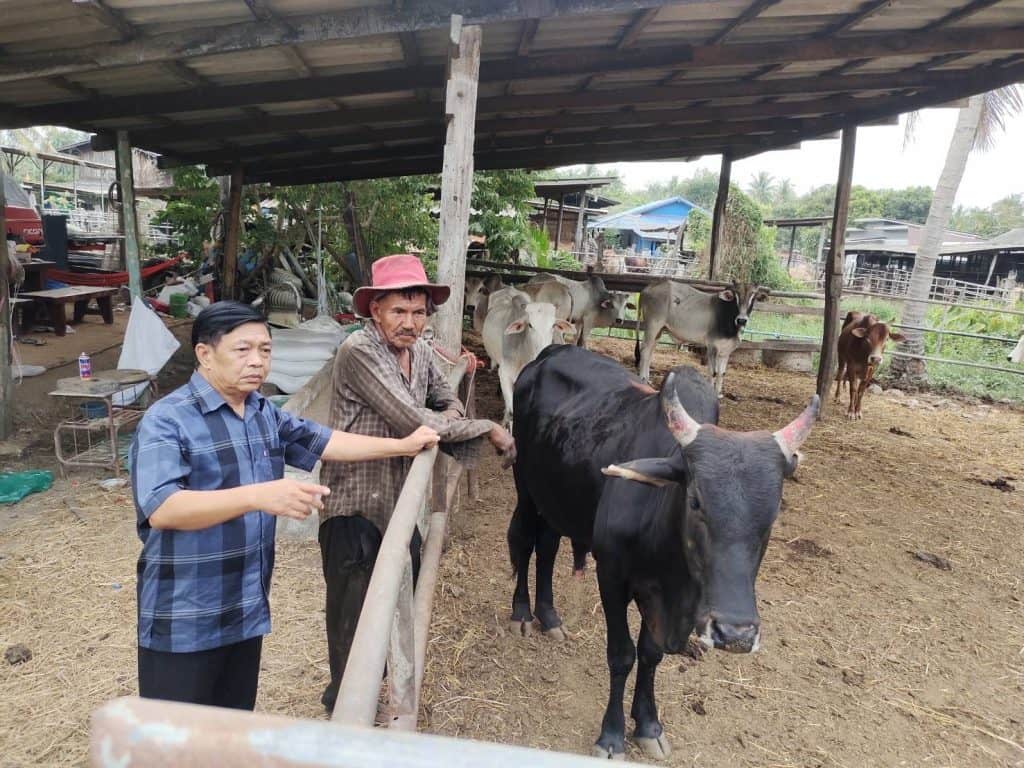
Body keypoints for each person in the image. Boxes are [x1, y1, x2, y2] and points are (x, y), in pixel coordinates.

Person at [129, 301, 439, 711]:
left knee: (233, 725)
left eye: (265, 350)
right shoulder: (167, 420)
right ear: (205, 354)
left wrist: (401, 445)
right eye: (243, 350)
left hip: (244, 609)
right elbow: (163, 508)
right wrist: (259, 495)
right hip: (185, 616)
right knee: (174, 735)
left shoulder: (260, 412)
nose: (257, 361)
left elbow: (325, 441)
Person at [319, 254, 514, 712]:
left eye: (418, 312)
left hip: (397, 502)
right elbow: (412, 420)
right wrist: (486, 427)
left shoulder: (420, 350)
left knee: (397, 596)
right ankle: (344, 709)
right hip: (354, 502)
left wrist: (447, 417)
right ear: (375, 310)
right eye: (398, 311)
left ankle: (382, 691)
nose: (409, 323)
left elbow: (445, 399)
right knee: (352, 618)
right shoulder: (360, 351)